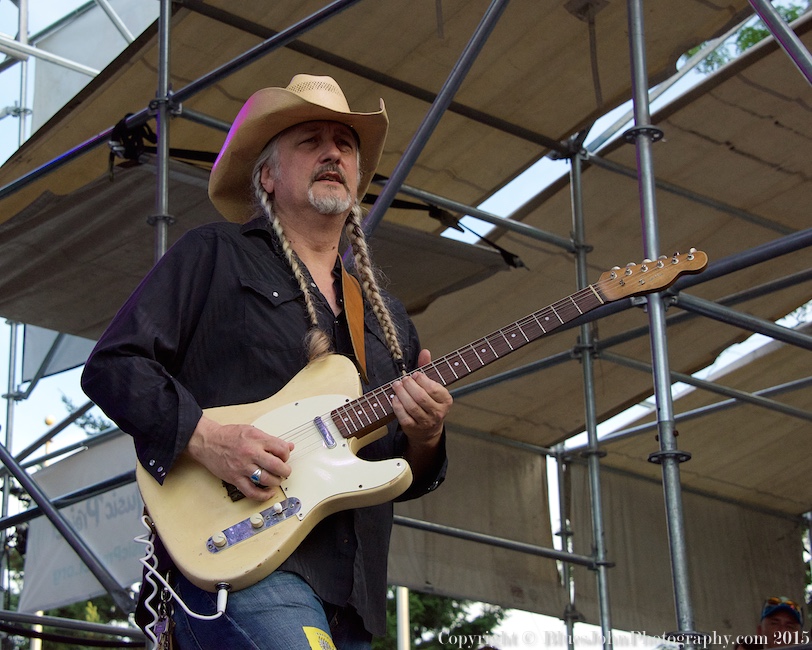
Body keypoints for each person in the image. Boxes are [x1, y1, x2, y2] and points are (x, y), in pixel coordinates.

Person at [81, 74, 452, 649]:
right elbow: (113, 365)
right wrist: (207, 438)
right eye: (310, 140)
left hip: (350, 594)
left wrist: (426, 436)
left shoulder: (386, 320)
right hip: (239, 561)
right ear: (268, 177)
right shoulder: (215, 255)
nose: (333, 152)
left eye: (345, 144)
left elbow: (396, 468)